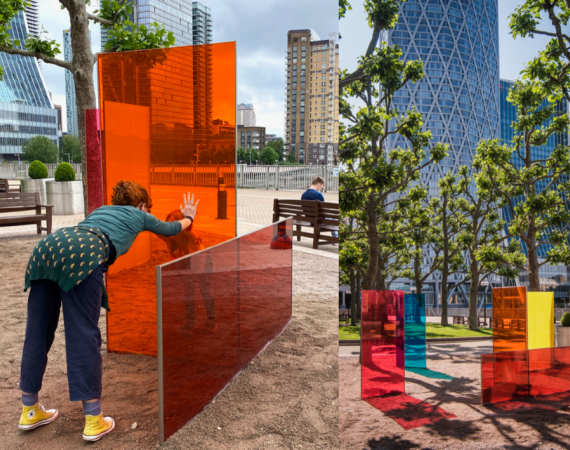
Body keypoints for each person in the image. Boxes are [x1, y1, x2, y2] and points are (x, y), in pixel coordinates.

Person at [18, 180, 199, 442]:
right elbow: (171, 229)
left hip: (46, 249)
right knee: (83, 334)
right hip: (84, 253)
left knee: (38, 331)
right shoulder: (139, 214)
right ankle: (93, 420)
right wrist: (189, 217)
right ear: (142, 205)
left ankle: (29, 410)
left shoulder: (100, 210)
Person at [301, 176, 338, 243]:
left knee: (333, 215)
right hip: (319, 220)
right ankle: (335, 239)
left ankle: (336, 238)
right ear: (319, 184)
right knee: (335, 216)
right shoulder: (318, 195)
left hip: (310, 220)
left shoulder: (304, 194)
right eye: (321, 187)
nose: (320, 189)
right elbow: (323, 211)